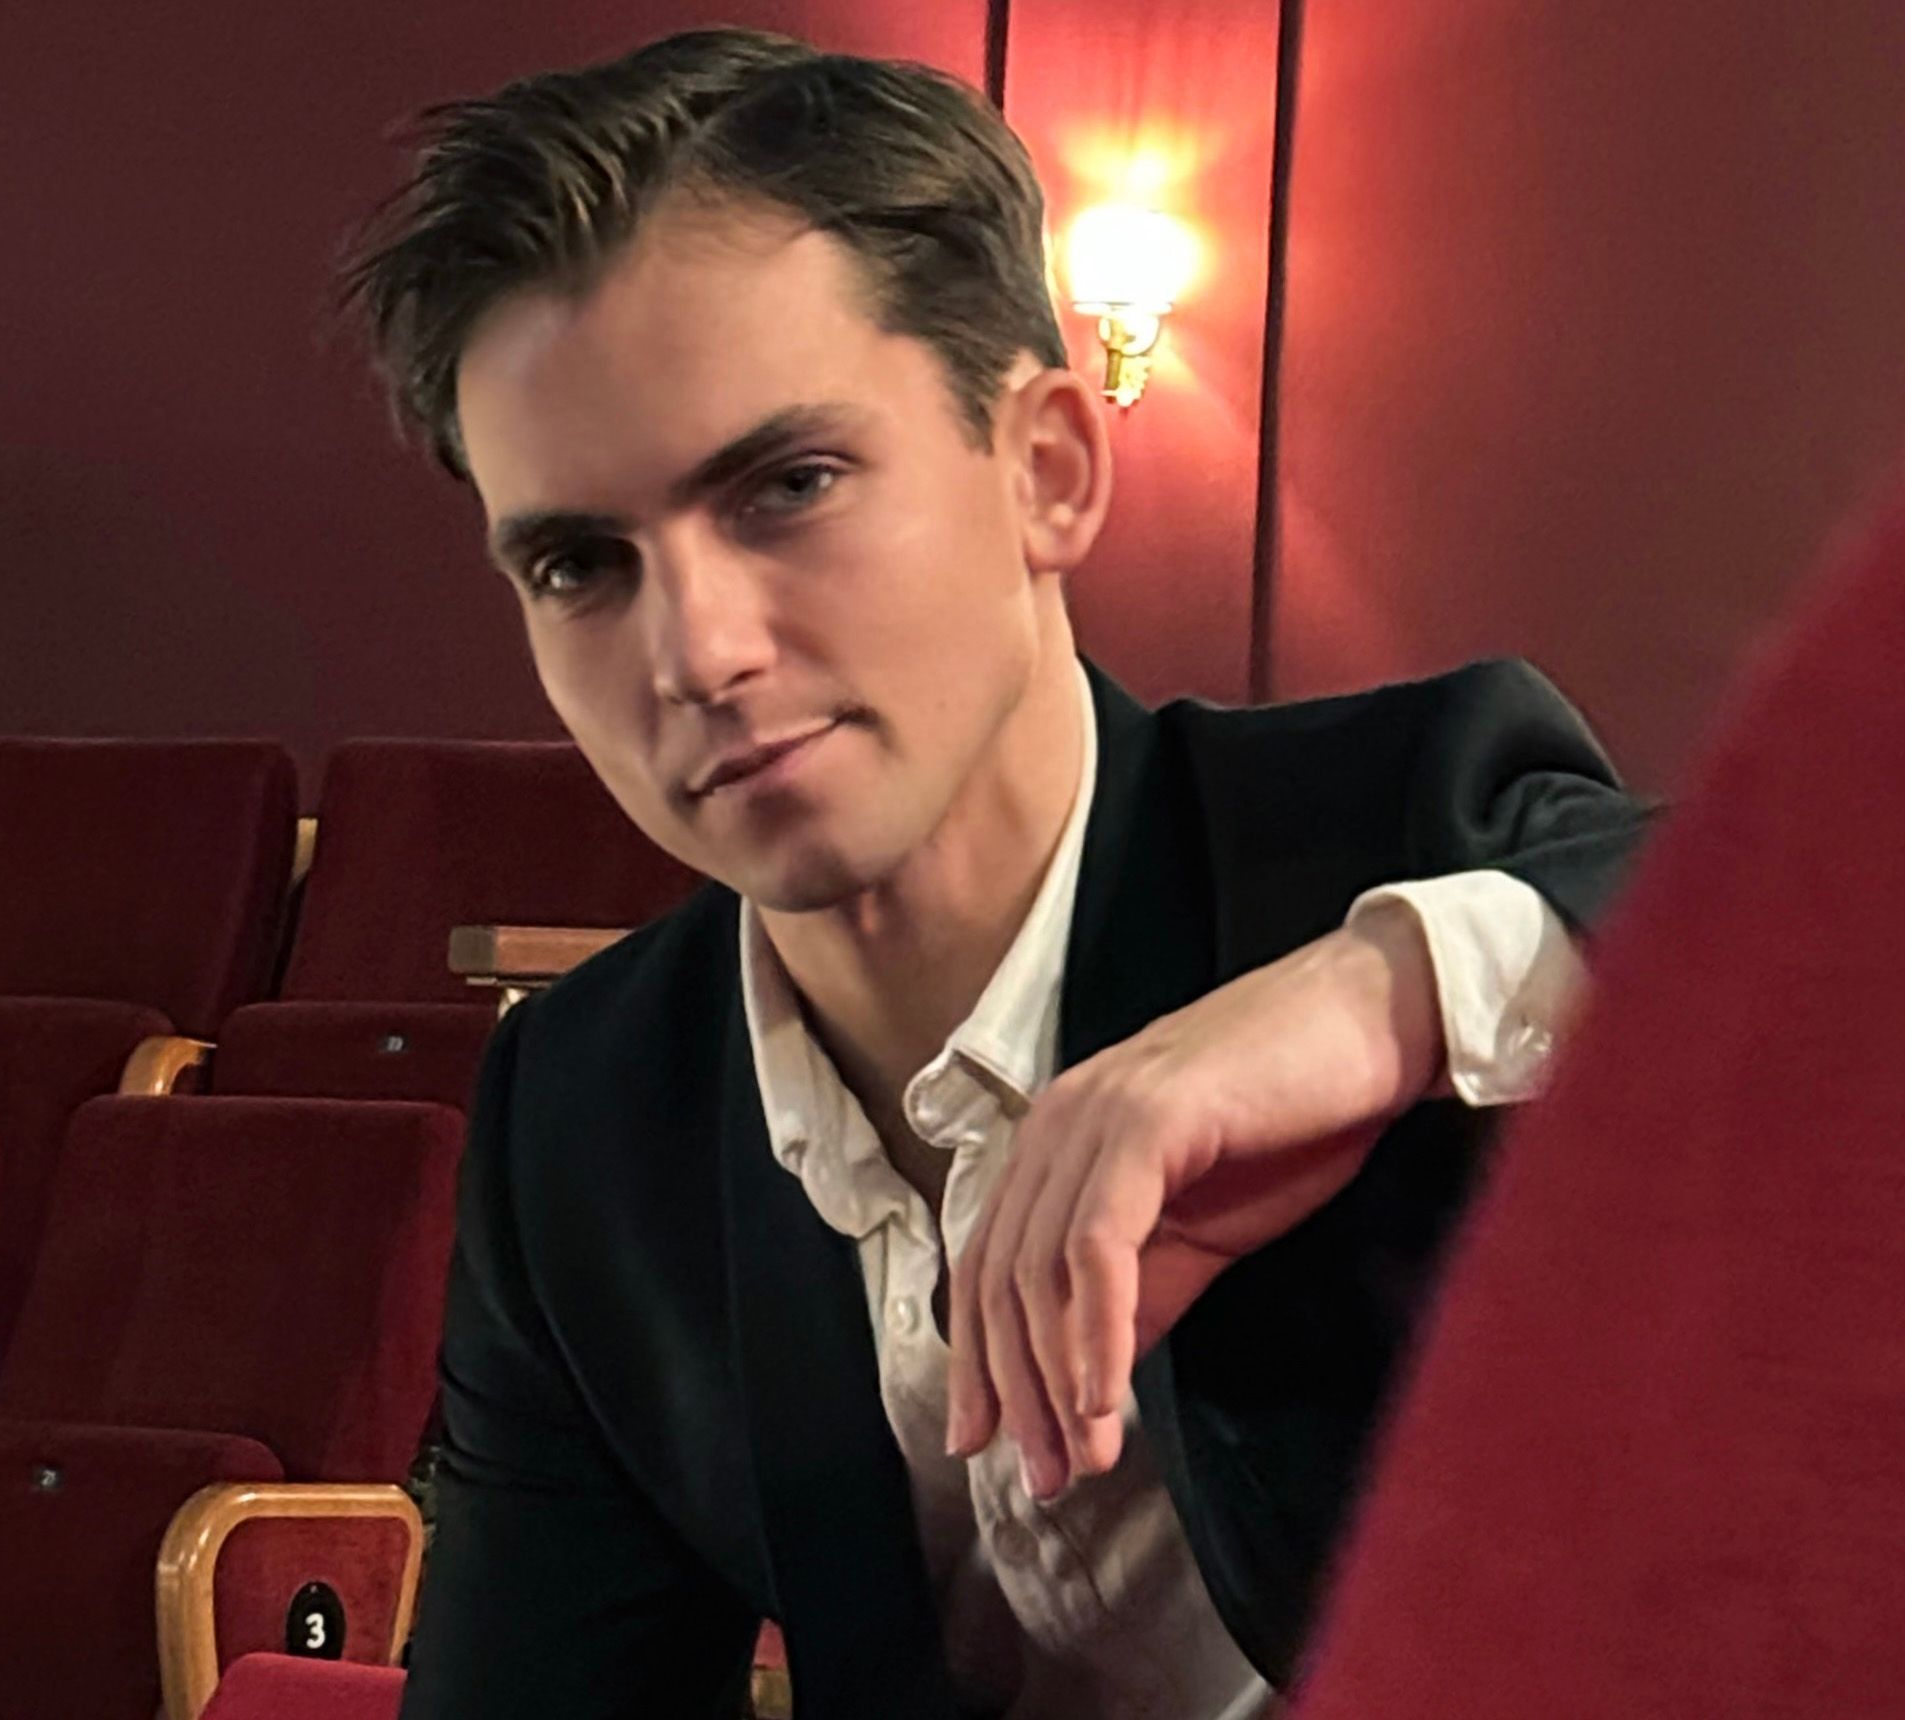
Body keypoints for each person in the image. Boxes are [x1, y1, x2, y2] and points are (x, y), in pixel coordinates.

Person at [338, 28, 1648, 1719]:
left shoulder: (1392, 821)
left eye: (788, 485)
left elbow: (1796, 948)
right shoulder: (584, 1112)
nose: (696, 653)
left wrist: (1375, 993)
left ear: (1047, 469)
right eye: (580, 565)